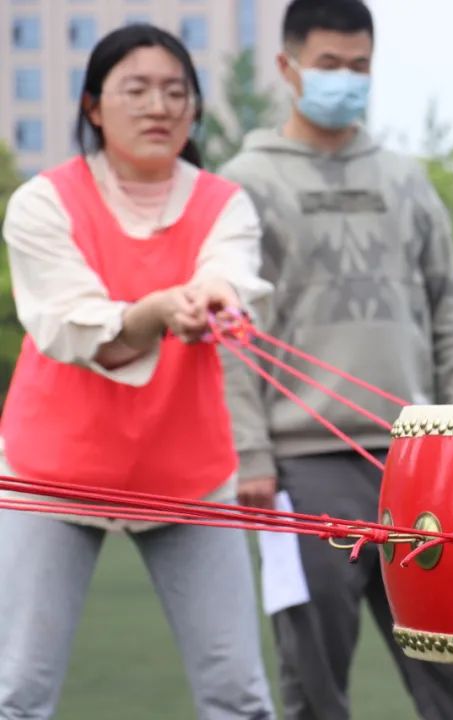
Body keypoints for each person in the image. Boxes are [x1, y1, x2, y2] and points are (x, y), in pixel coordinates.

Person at [217, 1, 453, 718]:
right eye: (329, 65)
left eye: (360, 67)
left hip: (421, 465)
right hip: (301, 467)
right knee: (313, 681)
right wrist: (251, 452)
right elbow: (230, 332)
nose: (346, 80)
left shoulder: (407, 179)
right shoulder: (244, 183)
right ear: (287, 68)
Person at [0, 24, 275, 720]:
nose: (160, 106)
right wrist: (158, 310)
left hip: (186, 470)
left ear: (195, 110)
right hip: (50, 470)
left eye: (176, 92)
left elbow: (228, 270)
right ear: (93, 106)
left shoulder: (226, 202)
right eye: (137, 89)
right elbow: (69, 325)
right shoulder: (42, 203)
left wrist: (216, 294)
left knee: (238, 695)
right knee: (17, 693)